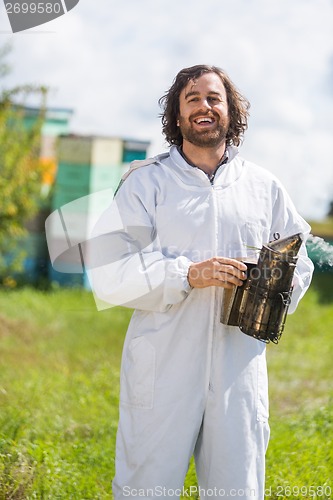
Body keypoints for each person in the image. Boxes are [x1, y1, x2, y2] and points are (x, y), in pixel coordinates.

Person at [90, 65, 314, 499]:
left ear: (231, 112)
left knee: (238, 489)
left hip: (239, 367)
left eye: (214, 98)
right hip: (163, 366)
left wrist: (267, 287)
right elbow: (106, 271)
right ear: (176, 116)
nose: (204, 106)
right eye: (192, 98)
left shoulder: (263, 187)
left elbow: (299, 257)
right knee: (145, 489)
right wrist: (187, 275)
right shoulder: (146, 183)